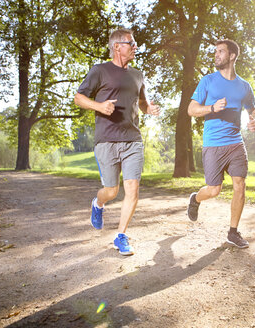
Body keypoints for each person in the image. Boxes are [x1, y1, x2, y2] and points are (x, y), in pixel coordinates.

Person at [74, 28, 160, 256]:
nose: (135, 47)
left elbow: (142, 102)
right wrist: (99, 106)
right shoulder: (100, 71)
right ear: (116, 46)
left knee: (132, 188)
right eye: (130, 43)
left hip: (132, 139)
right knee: (111, 191)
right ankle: (98, 203)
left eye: (134, 43)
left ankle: (120, 235)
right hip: (106, 140)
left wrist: (149, 108)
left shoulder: (138, 74)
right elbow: (79, 97)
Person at [187, 39, 255, 248]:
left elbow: (251, 109)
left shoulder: (244, 86)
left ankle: (233, 232)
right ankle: (196, 199)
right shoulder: (208, 81)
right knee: (214, 190)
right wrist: (211, 108)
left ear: (232, 56)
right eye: (215, 51)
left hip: (236, 143)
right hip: (213, 144)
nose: (216, 55)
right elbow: (191, 110)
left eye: (220, 51)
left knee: (240, 185)